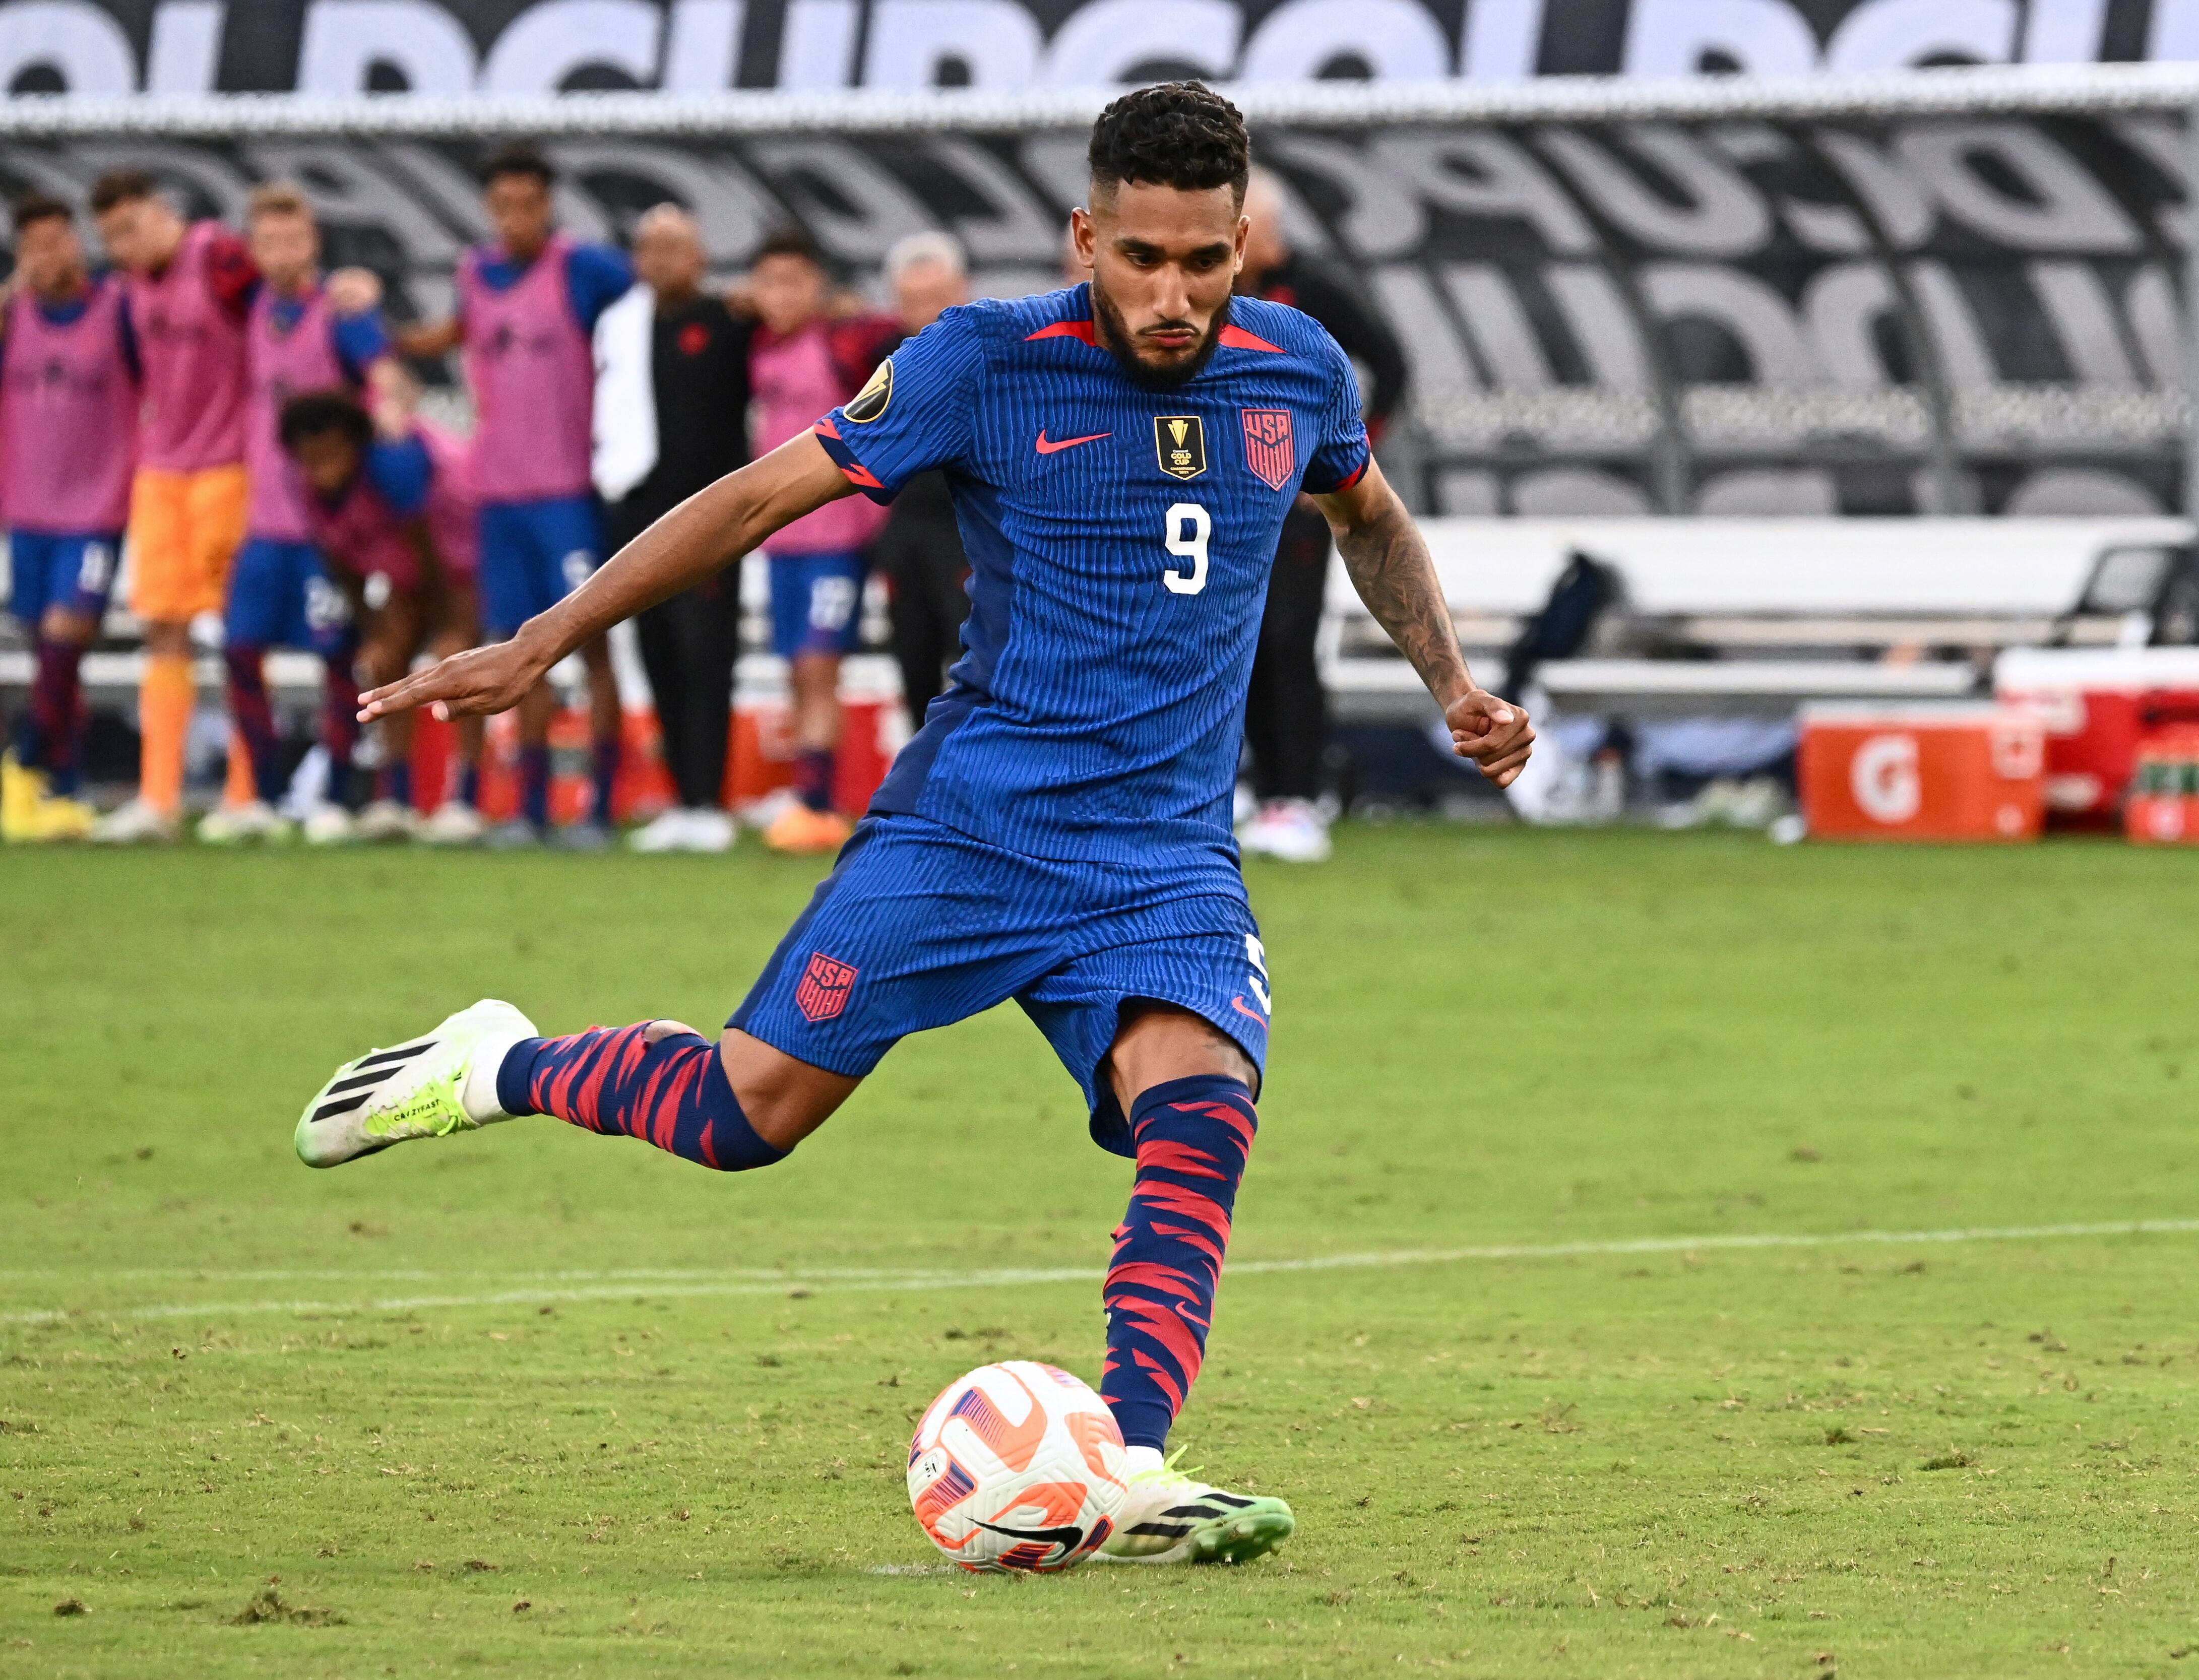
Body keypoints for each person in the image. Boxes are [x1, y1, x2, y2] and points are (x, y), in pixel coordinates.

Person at [294, 83, 1533, 1568]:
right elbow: (758, 498)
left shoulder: (1297, 372)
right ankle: (492, 1062)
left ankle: (1122, 1464)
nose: (1172, 292)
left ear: (1243, 244)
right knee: (739, 1119)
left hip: (1162, 859)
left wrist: (1453, 681)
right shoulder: (983, 361)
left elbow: (1371, 519)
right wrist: (542, 639)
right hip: (971, 831)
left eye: (1204, 259)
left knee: (1200, 1110)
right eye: (1140, 255)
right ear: (1086, 235)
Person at [397, 145, 630, 851]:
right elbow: (450, 335)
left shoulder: (583, 269)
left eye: (529, 204)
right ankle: (529, 808)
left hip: (566, 494)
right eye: (504, 205)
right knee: (514, 655)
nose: (516, 217)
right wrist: (374, 329)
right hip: (497, 497)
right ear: (489, 208)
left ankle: (601, 807)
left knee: (591, 649)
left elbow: (654, 299)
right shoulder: (474, 273)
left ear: (548, 206)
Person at [200, 181, 391, 846]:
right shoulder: (248, 303)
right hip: (263, 525)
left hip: (326, 530)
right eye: (268, 241)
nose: (282, 253)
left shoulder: (340, 312)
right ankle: (269, 795)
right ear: (254, 249)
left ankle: (340, 796)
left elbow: (385, 376)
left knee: (338, 659)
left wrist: (392, 412)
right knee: (239, 649)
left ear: (314, 244)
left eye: (294, 239)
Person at [1232, 168, 1411, 865]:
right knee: (1239, 645)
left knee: (1287, 643)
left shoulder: (1314, 290)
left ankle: (1300, 797)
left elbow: (1391, 363)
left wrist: (1347, 456)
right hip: (1233, 505)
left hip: (1298, 504)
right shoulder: (1216, 290)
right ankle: (1261, 791)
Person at [86, 170, 257, 843]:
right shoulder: (128, 290)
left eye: (130, 228)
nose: (124, 246)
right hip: (161, 474)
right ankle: (159, 799)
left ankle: (245, 794)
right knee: (162, 628)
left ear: (163, 213)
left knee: (237, 634)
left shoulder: (220, 259)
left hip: (227, 469)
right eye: (111, 237)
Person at [603, 205, 752, 856]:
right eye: (650, 247)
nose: (661, 259)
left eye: (675, 247)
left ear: (702, 258)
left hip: (712, 522)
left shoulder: (728, 320)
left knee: (705, 654)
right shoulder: (622, 326)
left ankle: (708, 801)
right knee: (657, 651)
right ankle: (678, 796)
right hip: (637, 514)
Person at [281, 376, 484, 838]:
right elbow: (342, 565)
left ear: (356, 445)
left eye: (331, 455)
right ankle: (395, 799)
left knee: (456, 662)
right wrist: (375, 627)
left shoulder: (395, 466)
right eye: (310, 460)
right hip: (407, 567)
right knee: (382, 661)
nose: (322, 470)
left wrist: (453, 625)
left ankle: (465, 801)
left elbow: (430, 550)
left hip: (464, 551)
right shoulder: (304, 483)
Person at [746, 226, 889, 856]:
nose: (780, 294)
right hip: (783, 539)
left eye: (793, 281)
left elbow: (899, 342)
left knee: (817, 664)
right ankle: (808, 794)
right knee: (793, 672)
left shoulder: (844, 341)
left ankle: (817, 804)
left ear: (818, 286)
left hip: (838, 536)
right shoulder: (758, 349)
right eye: (769, 281)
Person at [0, 192, 136, 843]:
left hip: (96, 509)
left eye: (58, 241)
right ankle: (67, 785)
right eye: (35, 246)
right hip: (26, 510)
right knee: (51, 653)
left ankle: (24, 766)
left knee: (63, 638)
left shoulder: (117, 309)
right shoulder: (14, 315)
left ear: (77, 243)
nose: (49, 257)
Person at [866, 231, 973, 729]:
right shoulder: (882, 360)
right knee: (910, 654)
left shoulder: (989, 357)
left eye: (936, 298)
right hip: (904, 524)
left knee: (971, 652)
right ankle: (920, 775)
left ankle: (975, 775)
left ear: (962, 292)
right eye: (913, 301)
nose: (926, 311)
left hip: (967, 526)